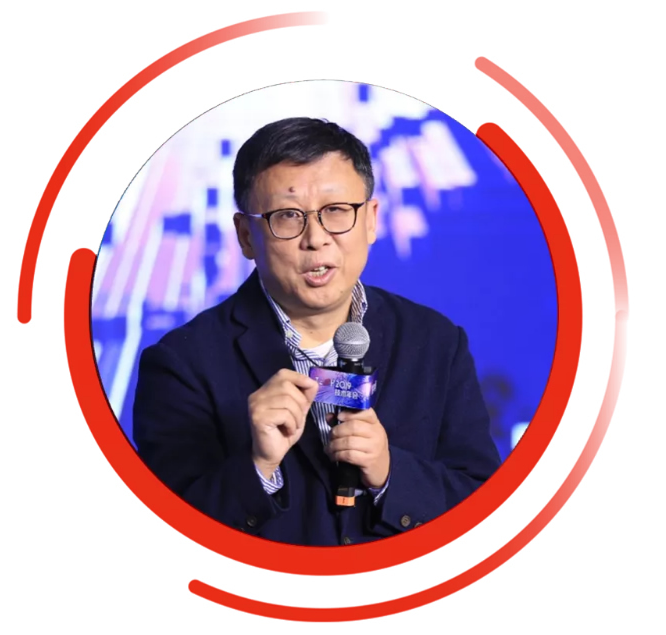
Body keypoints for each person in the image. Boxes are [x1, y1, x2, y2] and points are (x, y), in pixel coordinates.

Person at [133, 117, 501, 546]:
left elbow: (483, 507)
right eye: (288, 216)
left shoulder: (436, 342)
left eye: (337, 211)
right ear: (246, 236)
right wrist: (258, 467)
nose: (316, 238)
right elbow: (166, 537)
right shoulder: (181, 364)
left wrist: (389, 472)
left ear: (371, 220)